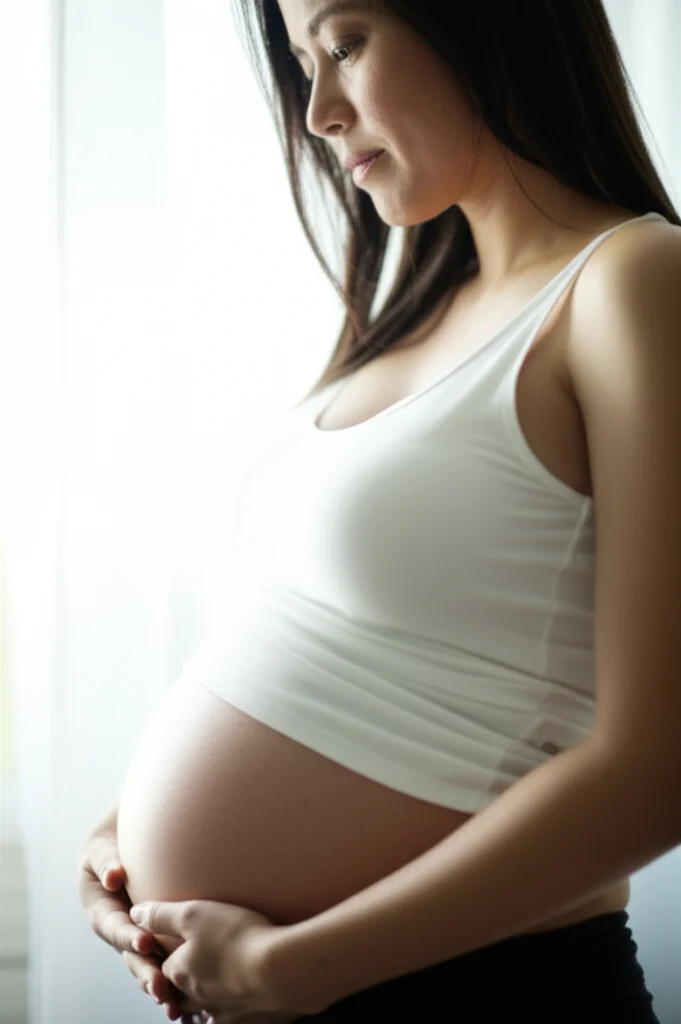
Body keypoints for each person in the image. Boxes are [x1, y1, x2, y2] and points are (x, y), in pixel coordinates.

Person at [78, 1, 680, 1021]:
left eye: (346, 43)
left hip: (483, 993)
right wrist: (123, 838)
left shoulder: (632, 281)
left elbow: (658, 764)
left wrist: (298, 966)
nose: (316, 110)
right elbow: (348, 649)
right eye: (300, 62)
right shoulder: (421, 307)